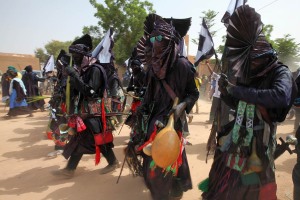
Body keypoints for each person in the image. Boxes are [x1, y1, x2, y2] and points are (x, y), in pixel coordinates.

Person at [201, 5, 297, 200]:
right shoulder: (249, 73)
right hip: (235, 137)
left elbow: (281, 96)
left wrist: (239, 90)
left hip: (260, 141)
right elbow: (240, 103)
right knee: (218, 182)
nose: (249, 66)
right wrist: (227, 90)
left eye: (253, 62)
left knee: (259, 188)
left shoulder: (281, 72)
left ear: (265, 58)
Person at [135, 15, 199, 200]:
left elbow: (193, 93)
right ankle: (175, 187)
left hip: (172, 119)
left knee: (161, 164)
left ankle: (163, 194)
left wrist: (182, 107)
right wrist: (143, 109)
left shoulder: (182, 65)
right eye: (152, 39)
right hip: (153, 120)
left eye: (159, 38)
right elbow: (150, 93)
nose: (155, 43)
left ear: (171, 42)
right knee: (160, 159)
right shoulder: (154, 65)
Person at [52, 34, 119, 178]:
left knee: (94, 139)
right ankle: (71, 169)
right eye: (73, 56)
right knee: (84, 139)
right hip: (84, 113)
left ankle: (71, 169)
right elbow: (77, 91)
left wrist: (75, 77)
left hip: (94, 113)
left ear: (84, 56)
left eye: (77, 56)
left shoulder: (95, 70)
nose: (75, 58)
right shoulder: (83, 70)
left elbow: (91, 92)